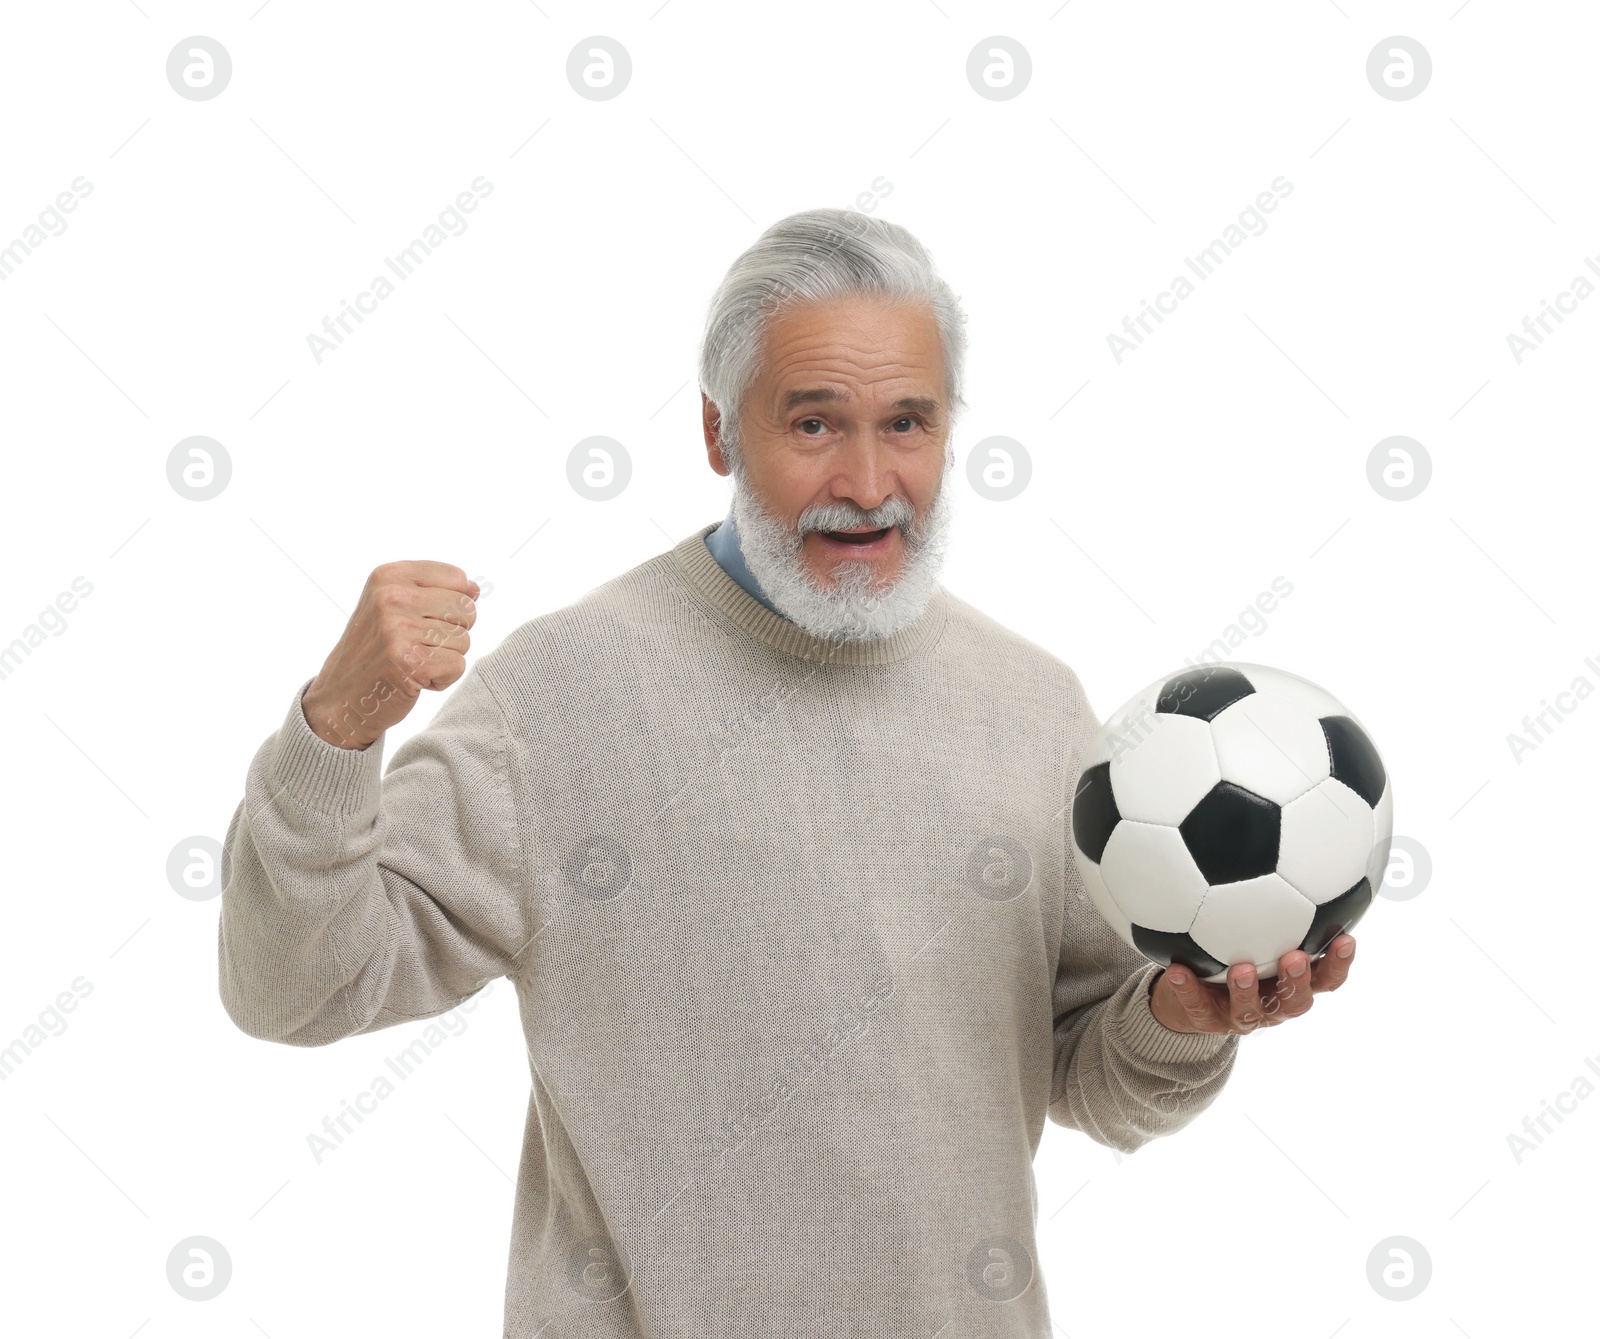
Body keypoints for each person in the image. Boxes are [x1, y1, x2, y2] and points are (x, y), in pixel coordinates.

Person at [217, 206, 1356, 1338]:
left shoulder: (1034, 706)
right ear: (716, 432)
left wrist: (1184, 1015)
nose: (868, 481)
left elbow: (1092, 1072)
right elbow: (294, 988)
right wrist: (337, 731)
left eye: (906, 422)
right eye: (814, 425)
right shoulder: (559, 699)